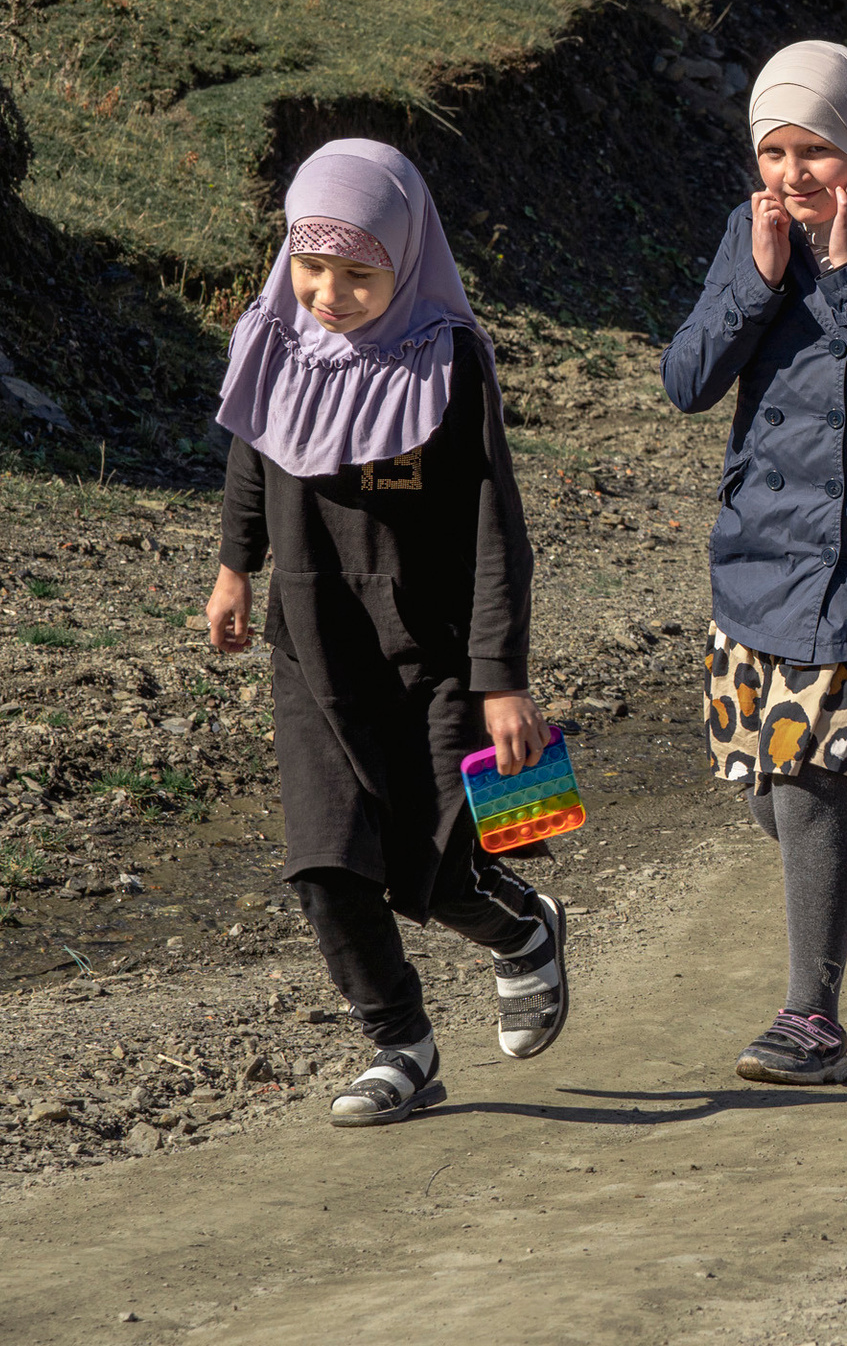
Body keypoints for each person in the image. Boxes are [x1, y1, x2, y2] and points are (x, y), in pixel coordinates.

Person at [205, 139, 567, 1127]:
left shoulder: (443, 358)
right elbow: (252, 447)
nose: (329, 290)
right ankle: (398, 1041)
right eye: (312, 265)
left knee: (436, 868)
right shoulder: (272, 337)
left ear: (403, 260)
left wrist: (501, 675)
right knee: (326, 863)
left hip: (438, 649)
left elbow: (499, 525)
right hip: (314, 636)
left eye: (358, 272)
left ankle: (523, 930)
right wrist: (236, 562)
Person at [660, 40, 847, 1086]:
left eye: (816, 151)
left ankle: (811, 1021)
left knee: (809, 789)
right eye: (774, 151)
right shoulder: (752, 237)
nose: (793, 175)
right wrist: (757, 279)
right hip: (761, 557)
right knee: (769, 791)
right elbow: (686, 380)